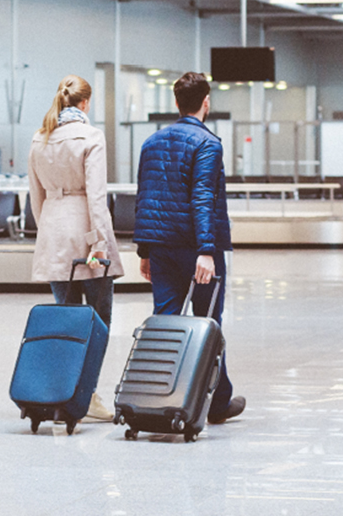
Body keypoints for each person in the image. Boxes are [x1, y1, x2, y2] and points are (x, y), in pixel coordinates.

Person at [133, 71, 246, 424]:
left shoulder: (151, 143)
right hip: (196, 250)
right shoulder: (208, 143)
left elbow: (145, 198)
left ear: (176, 102)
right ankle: (216, 404)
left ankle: (155, 397)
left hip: (162, 249)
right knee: (208, 322)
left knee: (166, 322)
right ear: (206, 102)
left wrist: (145, 250)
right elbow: (202, 198)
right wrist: (207, 250)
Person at [28, 74, 125, 422]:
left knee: (65, 319)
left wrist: (50, 232)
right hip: (87, 235)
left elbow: (35, 197)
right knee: (98, 320)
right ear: (85, 103)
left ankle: (62, 392)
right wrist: (100, 243)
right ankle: (88, 394)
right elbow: (97, 198)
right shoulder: (90, 136)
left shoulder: (40, 138)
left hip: (54, 233)